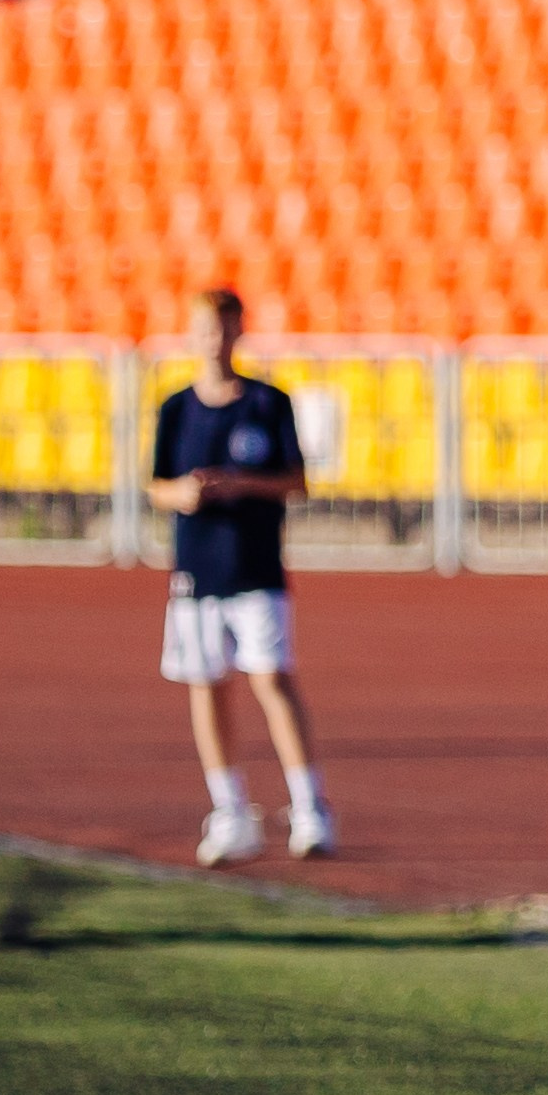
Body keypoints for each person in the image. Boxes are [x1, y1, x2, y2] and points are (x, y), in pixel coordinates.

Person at [145, 288, 334, 867]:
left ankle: (309, 805)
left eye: (227, 328)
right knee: (206, 685)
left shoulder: (267, 402)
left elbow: (297, 481)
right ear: (193, 334)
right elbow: (156, 484)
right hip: (196, 569)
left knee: (271, 679)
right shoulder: (176, 408)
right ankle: (230, 808)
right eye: (208, 328)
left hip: (255, 565)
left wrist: (239, 484)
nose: (218, 340)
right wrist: (185, 493)